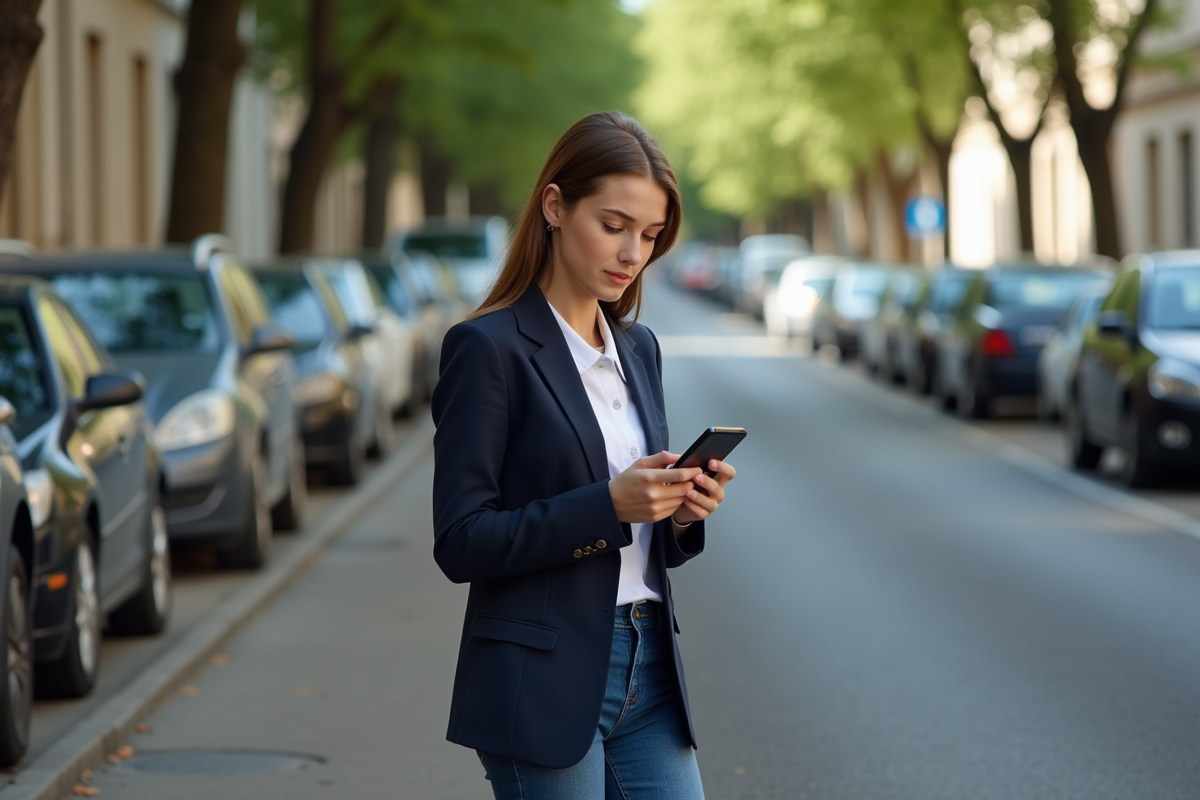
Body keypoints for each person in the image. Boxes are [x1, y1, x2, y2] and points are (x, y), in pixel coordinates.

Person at [431, 110, 737, 799]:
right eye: (615, 225)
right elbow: (460, 541)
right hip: (542, 677)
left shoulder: (639, 348)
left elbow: (649, 534)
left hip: (651, 662)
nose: (634, 253)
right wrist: (608, 505)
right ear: (555, 207)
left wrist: (682, 513)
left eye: (651, 235)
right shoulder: (487, 350)